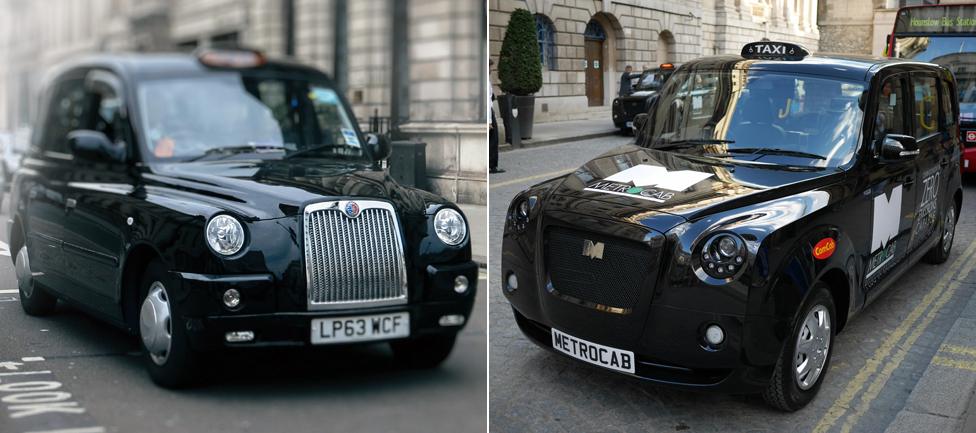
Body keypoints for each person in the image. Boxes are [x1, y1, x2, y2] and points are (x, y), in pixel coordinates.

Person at [489, 59, 504, 173]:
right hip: (488, 113)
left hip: (490, 112)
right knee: (493, 139)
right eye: (490, 67)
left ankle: (492, 165)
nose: (491, 70)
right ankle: (492, 166)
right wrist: (489, 121)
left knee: (491, 140)